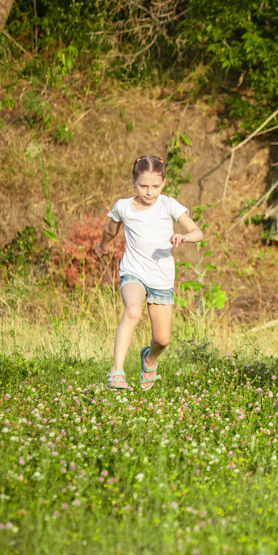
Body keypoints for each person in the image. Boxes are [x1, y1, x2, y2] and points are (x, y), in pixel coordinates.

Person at [96, 155, 203, 391]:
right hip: (133, 271)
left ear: (163, 183)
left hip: (161, 277)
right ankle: (116, 373)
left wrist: (183, 237)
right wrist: (102, 246)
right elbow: (110, 230)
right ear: (134, 182)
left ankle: (149, 360)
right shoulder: (123, 206)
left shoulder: (168, 204)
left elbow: (197, 232)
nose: (149, 192)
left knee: (162, 340)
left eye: (155, 186)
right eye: (143, 185)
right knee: (132, 311)